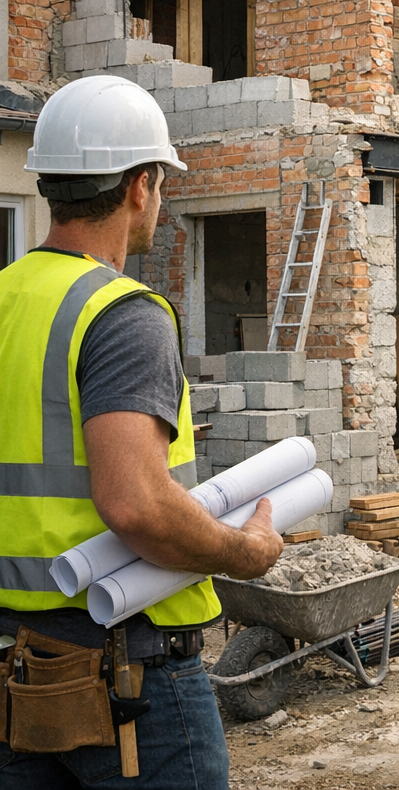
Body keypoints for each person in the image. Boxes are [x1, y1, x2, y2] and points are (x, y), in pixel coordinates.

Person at [0, 76, 283, 789]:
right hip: (126, 670)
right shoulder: (122, 313)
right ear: (140, 185)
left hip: (14, 662)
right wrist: (245, 554)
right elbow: (136, 506)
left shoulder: (7, 300)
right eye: (159, 184)